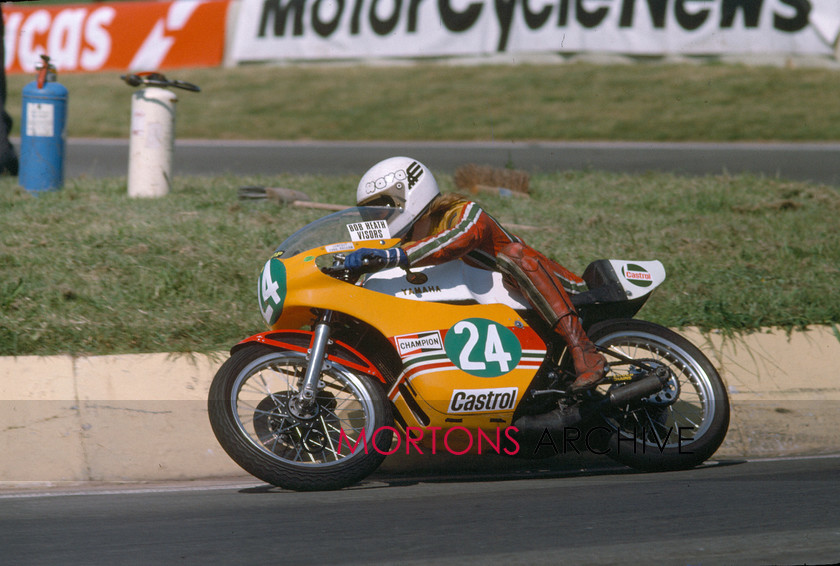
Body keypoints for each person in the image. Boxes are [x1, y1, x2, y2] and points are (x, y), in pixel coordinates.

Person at [345, 156, 606, 391]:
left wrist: (395, 256)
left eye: (383, 208)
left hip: (551, 288)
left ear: (408, 195)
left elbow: (456, 241)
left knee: (516, 254)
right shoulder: (402, 243)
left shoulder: (466, 213)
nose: (378, 218)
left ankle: (582, 348)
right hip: (495, 313)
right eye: (370, 214)